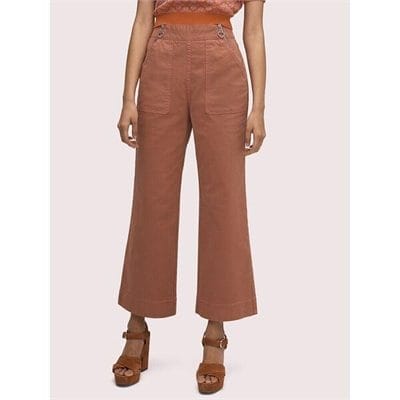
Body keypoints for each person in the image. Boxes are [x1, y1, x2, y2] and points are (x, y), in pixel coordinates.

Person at [112, 0, 266, 394]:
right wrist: (128, 97)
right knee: (151, 200)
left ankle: (216, 329)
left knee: (224, 205)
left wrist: (259, 107)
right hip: (161, 60)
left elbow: (253, 29)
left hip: (221, 64)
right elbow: (143, 19)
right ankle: (137, 323)